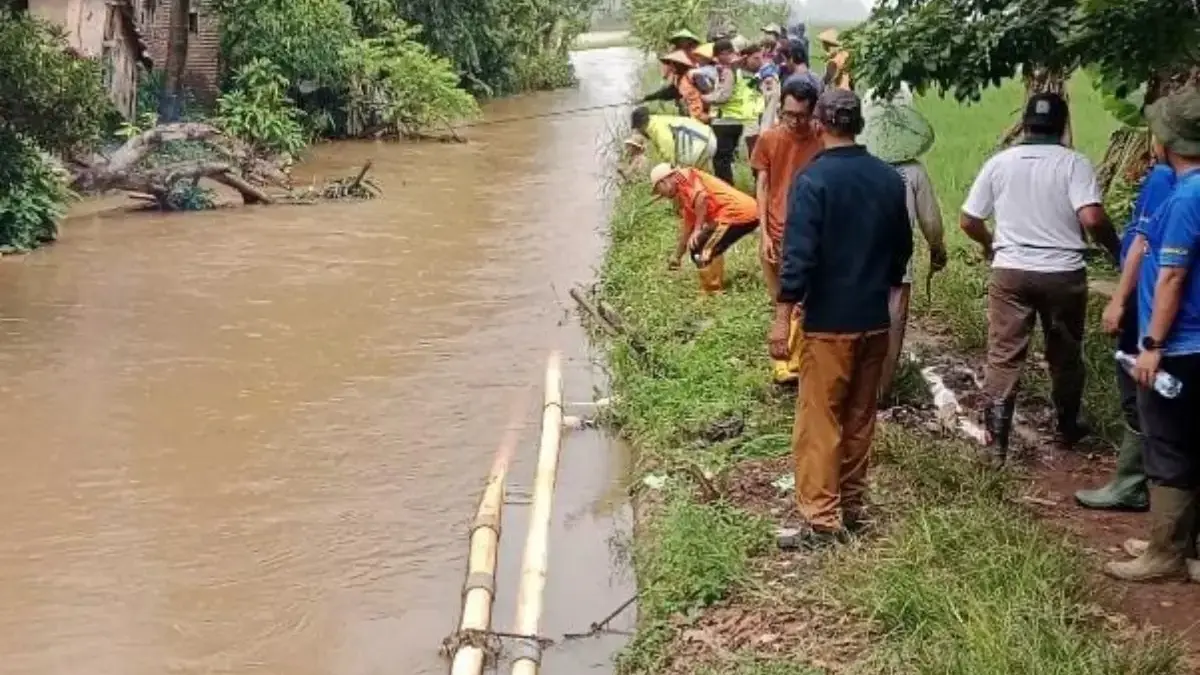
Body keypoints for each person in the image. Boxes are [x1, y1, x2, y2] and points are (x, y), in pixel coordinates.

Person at [771, 89, 913, 546]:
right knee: (859, 417)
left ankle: (821, 519)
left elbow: (798, 257)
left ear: (819, 124)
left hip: (828, 322)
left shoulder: (813, 181)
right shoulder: (889, 179)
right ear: (859, 125)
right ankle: (850, 506)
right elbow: (902, 250)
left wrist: (782, 316)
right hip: (875, 319)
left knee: (820, 421)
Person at [960, 92, 1121, 465]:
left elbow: (968, 220)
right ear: (1062, 126)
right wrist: (1117, 250)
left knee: (1004, 354)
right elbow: (1092, 218)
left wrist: (990, 244)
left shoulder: (1000, 163)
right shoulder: (1074, 164)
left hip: (1011, 271)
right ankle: (1067, 427)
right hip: (1063, 273)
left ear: (1025, 125)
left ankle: (997, 446)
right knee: (1065, 352)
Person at [1105, 85, 1200, 583]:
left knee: (1167, 445)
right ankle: (1183, 544)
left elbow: (1172, 277)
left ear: (1170, 141)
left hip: (1180, 344)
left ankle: (1165, 553)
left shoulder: (1187, 197)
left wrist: (1152, 345)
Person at [1075, 162, 1177, 511]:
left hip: (1148, 299)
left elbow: (1145, 245)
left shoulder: (1167, 179)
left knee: (1139, 387)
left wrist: (1120, 298)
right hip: (1154, 297)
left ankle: (1134, 482)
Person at [858, 84, 948, 400]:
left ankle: (858, 388)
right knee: (893, 323)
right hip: (899, 262)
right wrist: (937, 249)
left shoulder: (856, 164)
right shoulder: (914, 171)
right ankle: (882, 391)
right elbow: (931, 221)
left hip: (859, 260)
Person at [751, 79, 823, 385]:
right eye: (789, 114)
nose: (795, 121)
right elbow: (763, 185)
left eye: (802, 115)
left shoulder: (823, 140)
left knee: (803, 302)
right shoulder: (768, 139)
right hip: (777, 230)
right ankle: (784, 361)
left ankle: (792, 361)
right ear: (780, 110)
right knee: (782, 299)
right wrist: (764, 233)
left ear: (813, 113)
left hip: (810, 233)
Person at [649, 163, 759, 293]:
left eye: (659, 190)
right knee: (699, 246)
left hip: (736, 213)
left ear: (664, 181)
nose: (663, 195)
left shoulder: (684, 176)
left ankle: (712, 292)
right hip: (734, 214)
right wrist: (677, 256)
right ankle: (715, 284)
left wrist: (698, 229)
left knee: (702, 248)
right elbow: (687, 231)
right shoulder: (685, 196)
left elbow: (702, 197)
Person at [702, 39, 754, 185]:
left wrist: (706, 98)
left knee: (721, 161)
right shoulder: (739, 69)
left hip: (725, 121)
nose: (716, 59)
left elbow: (724, 96)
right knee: (725, 159)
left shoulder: (729, 70)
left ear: (724, 54)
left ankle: (726, 191)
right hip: (736, 120)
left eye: (717, 56)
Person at [627, 106, 717, 169]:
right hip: (705, 138)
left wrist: (671, 167)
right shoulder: (656, 121)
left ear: (642, 126)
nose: (639, 132)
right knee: (704, 177)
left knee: (691, 175)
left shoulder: (656, 128)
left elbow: (668, 147)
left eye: (638, 129)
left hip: (701, 143)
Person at [641, 50, 708, 122]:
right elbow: (666, 93)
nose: (671, 66)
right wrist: (647, 98)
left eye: (673, 64)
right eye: (670, 63)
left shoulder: (688, 78)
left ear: (680, 65)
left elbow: (698, 98)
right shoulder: (678, 79)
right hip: (691, 114)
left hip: (698, 115)